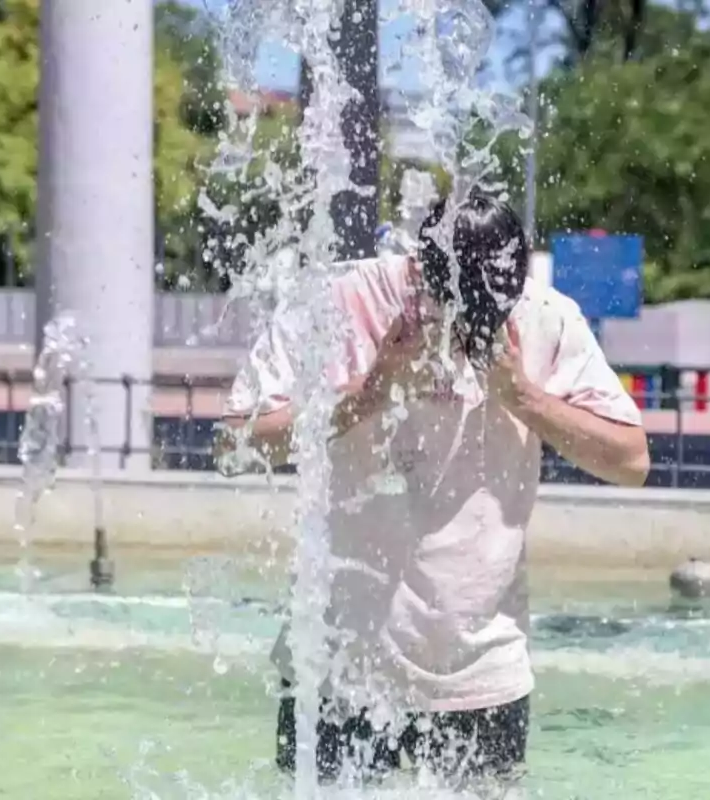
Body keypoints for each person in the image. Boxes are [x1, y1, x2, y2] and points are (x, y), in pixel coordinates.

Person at [215, 192, 649, 787]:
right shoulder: (337, 302)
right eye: (454, 311)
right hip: (338, 673)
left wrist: (525, 398)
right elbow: (233, 446)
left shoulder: (545, 317)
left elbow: (631, 461)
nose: (470, 331)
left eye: (489, 317)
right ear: (420, 269)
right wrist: (373, 391)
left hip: (481, 677)